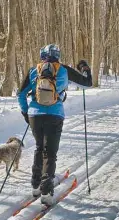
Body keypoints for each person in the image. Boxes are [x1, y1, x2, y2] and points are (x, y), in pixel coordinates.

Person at [17, 44, 92, 205]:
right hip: (55, 114)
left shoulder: (33, 70)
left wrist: (26, 113)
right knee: (49, 153)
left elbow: (20, 94)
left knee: (39, 148)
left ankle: (36, 185)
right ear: (57, 55)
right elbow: (87, 83)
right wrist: (84, 67)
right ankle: (46, 191)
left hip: (35, 116)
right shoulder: (64, 70)